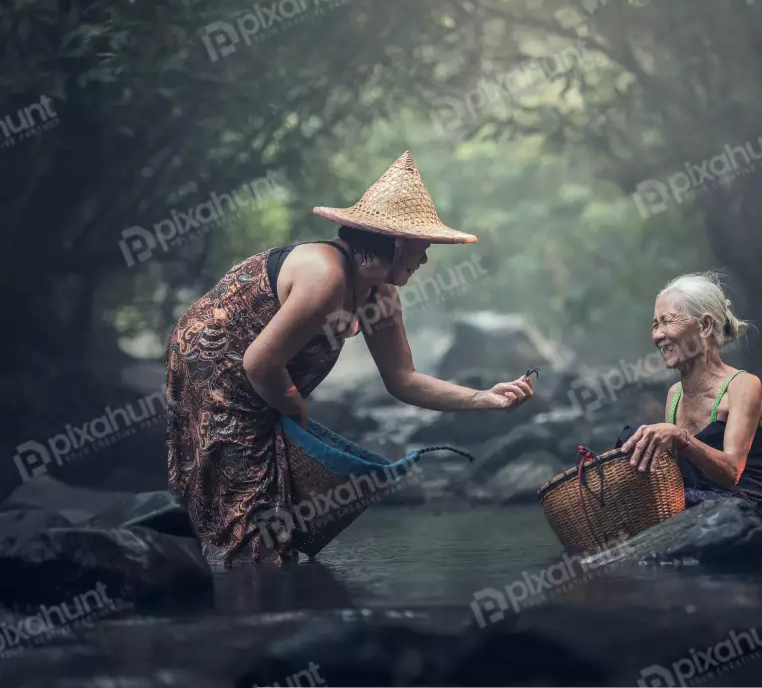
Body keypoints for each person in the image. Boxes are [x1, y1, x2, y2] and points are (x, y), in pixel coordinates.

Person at [165, 152, 534, 566]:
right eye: (424, 247)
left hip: (266, 377)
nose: (426, 259)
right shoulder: (325, 277)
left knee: (278, 510)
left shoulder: (381, 295)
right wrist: (293, 404)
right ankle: (244, 592)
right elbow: (259, 364)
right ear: (397, 245)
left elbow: (403, 380)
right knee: (247, 511)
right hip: (214, 364)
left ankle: (260, 589)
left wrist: (485, 398)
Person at [618, 272, 762, 536]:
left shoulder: (743, 386)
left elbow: (731, 473)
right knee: (631, 436)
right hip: (707, 502)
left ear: (704, 326)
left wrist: (680, 437)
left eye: (666, 322)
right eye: (654, 325)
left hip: (758, 509)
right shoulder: (675, 394)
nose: (658, 335)